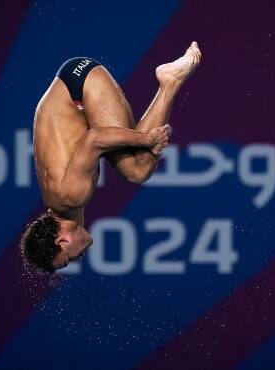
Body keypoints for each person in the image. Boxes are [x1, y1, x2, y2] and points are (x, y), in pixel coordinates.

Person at [20, 41, 201, 275]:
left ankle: (169, 81)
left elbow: (94, 139)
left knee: (137, 169)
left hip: (80, 87)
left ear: (61, 242)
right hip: (75, 82)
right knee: (135, 165)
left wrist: (148, 140)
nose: (76, 260)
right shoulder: (58, 202)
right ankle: (168, 82)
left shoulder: (69, 197)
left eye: (67, 261)